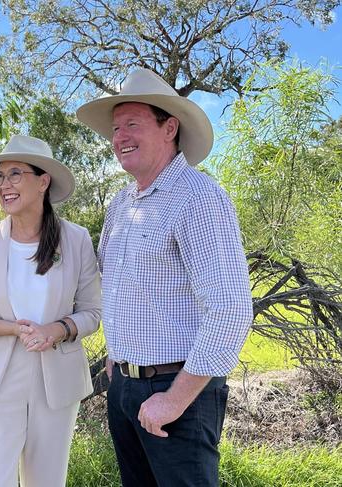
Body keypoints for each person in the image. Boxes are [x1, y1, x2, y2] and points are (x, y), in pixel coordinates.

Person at [76, 69, 253, 486]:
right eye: (116, 128)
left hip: (179, 391)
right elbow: (116, 286)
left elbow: (230, 308)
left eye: (132, 124)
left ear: (169, 127)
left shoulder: (198, 197)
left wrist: (174, 399)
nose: (120, 136)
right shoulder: (121, 203)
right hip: (125, 388)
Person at [0, 135, 101, 487]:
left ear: (43, 180)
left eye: (15, 174)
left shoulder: (75, 239)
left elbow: (92, 311)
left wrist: (57, 330)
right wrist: (12, 328)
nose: (4, 185)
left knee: (47, 481)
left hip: (56, 381)